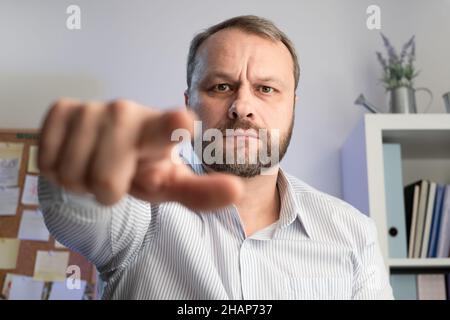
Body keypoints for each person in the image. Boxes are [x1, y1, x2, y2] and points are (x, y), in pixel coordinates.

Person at [37, 15, 393, 299]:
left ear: (292, 107)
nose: (242, 107)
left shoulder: (354, 235)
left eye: (266, 89)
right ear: (188, 102)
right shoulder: (143, 207)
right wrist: (79, 166)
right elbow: (80, 210)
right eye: (221, 87)